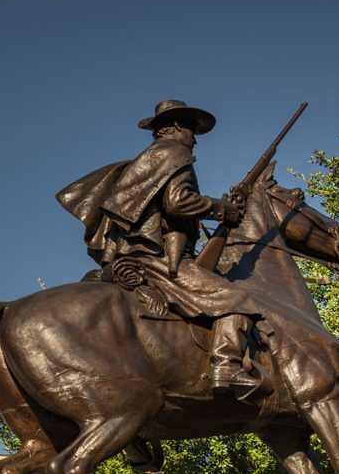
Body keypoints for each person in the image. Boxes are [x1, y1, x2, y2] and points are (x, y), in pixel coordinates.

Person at [56, 100, 260, 393]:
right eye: (191, 130)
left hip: (132, 256)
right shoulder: (175, 154)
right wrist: (220, 208)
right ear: (177, 128)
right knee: (237, 299)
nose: (195, 138)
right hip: (159, 260)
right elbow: (177, 202)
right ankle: (227, 365)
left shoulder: (145, 161)